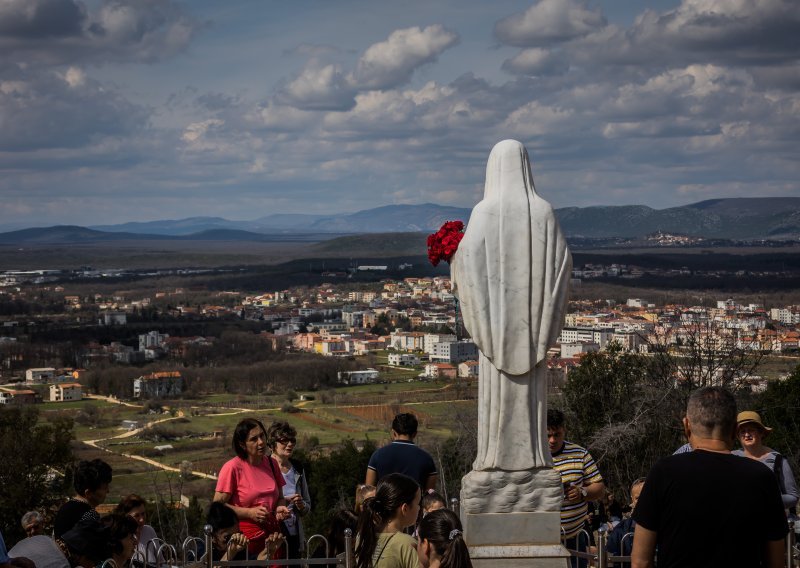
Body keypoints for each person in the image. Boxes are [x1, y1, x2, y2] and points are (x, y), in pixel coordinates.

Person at [452, 139, 571, 474]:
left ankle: (496, 461)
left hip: (495, 330)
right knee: (530, 406)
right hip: (531, 329)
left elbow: (469, 264)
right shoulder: (544, 211)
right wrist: (542, 319)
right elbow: (563, 263)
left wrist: (453, 259)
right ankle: (532, 459)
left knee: (497, 407)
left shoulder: (483, 211)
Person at [631, 387, 787, 568]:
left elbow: (640, 561)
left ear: (687, 425)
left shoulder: (664, 472)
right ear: (734, 430)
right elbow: (775, 562)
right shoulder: (762, 477)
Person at [214, 418, 290, 556]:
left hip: (273, 537)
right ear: (242, 445)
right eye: (254, 439)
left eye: (262, 436)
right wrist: (249, 513)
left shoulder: (272, 464)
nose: (261, 442)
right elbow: (217, 506)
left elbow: (280, 497)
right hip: (243, 541)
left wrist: (279, 508)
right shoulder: (232, 468)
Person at [547, 409, 605, 567]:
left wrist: (582, 493)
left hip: (575, 537)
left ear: (564, 430)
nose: (552, 440)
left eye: (557, 434)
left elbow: (599, 487)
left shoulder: (579, 454)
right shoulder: (531, 458)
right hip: (542, 538)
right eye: (547, 435)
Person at [733, 410, 799, 514]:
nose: (746, 434)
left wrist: (767, 500)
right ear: (738, 436)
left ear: (761, 433)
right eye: (742, 431)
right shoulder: (731, 457)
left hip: (770, 525)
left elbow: (793, 497)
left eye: (751, 430)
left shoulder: (778, 460)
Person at [355, 473, 421, 568]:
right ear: (405, 508)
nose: (419, 508)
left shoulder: (363, 538)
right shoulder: (407, 545)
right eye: (418, 503)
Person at [266, 421, 311, 559]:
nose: (290, 444)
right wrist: (279, 507)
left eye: (292, 440)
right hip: (271, 535)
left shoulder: (298, 468)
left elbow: (308, 505)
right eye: (284, 440)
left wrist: (301, 505)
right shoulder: (264, 467)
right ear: (272, 443)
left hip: (294, 536)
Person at [365, 413, 437, 491]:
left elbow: (369, 491)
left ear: (393, 433)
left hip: (385, 502)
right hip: (415, 503)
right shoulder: (427, 459)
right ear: (415, 434)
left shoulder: (377, 456)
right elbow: (430, 494)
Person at [10, 517, 110, 568]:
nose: (92, 566)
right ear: (84, 555)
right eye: (95, 562)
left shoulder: (42, 538)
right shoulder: (62, 564)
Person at [205, 502, 284, 562]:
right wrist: (230, 554)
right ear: (212, 537)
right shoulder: (201, 552)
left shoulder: (239, 551)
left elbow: (255, 563)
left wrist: (269, 550)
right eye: (227, 537)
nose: (233, 540)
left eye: (238, 534)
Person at [54, 459, 113, 539]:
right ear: (88, 493)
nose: (108, 491)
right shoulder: (89, 515)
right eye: (105, 488)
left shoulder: (65, 508)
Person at [606, 478, 645, 562]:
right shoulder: (620, 531)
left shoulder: (667, 528)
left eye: (647, 496)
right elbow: (609, 561)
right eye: (638, 498)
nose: (643, 501)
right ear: (632, 500)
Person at [114, 494, 159, 564]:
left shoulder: (149, 531)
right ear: (125, 516)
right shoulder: (121, 538)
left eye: (143, 514)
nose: (141, 520)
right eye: (136, 515)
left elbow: (161, 562)